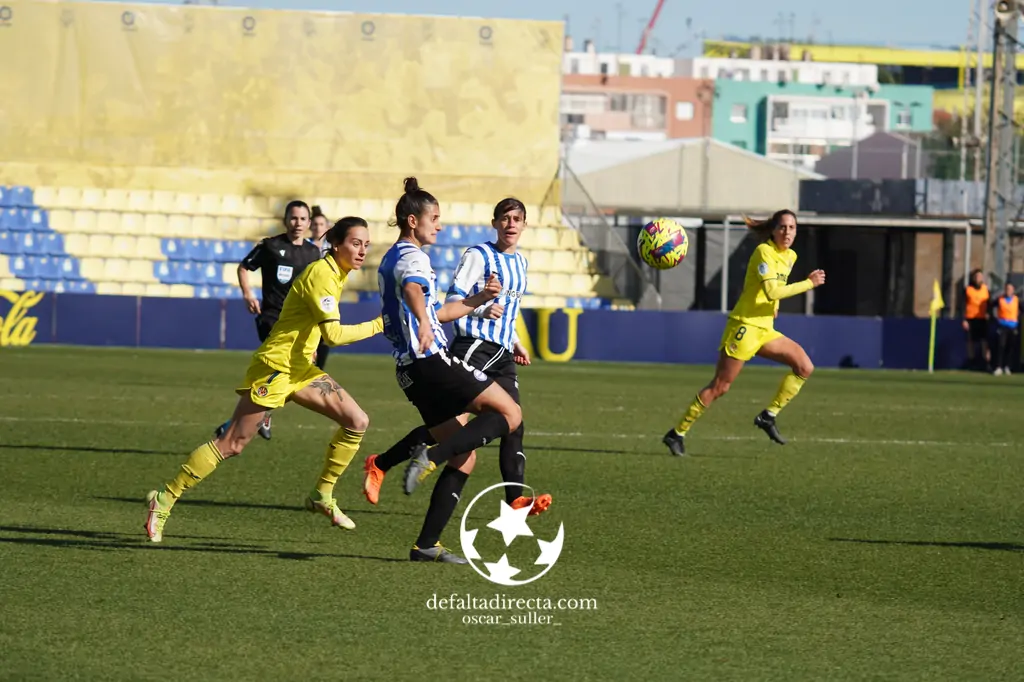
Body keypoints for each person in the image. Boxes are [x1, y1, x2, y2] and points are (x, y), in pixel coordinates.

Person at [145, 218, 383, 542]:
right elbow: (334, 335)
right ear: (337, 244)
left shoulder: (335, 273)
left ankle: (322, 494)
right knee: (232, 443)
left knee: (357, 421)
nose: (362, 251)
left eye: (366, 245)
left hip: (300, 370)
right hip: (276, 368)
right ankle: (164, 499)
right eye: (356, 243)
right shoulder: (322, 274)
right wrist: (380, 324)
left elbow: (308, 322)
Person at [363, 197, 551, 516]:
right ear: (494, 223)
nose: (511, 224)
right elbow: (451, 299)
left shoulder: (521, 263)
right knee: (457, 427)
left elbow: (508, 310)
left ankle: (515, 499)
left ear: (525, 224)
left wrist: (515, 340)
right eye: (505, 218)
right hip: (475, 345)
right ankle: (388, 462)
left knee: (512, 422)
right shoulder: (478, 255)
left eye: (517, 219)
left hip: (502, 350)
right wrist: (479, 308)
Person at [377, 177, 522, 563]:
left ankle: (426, 545)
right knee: (510, 414)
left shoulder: (391, 256)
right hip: (431, 361)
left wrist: (479, 299)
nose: (439, 226)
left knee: (466, 456)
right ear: (413, 221)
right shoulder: (413, 257)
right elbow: (414, 290)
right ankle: (430, 457)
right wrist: (424, 321)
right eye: (435, 218)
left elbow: (440, 311)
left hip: (409, 371)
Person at [662, 210, 826, 456]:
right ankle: (677, 433)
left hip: (765, 329)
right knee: (720, 386)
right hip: (745, 326)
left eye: (792, 227)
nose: (787, 232)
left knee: (804, 366)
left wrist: (775, 307)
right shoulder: (763, 252)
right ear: (773, 230)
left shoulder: (790, 256)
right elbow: (771, 291)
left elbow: (775, 290)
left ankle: (768, 416)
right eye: (782, 227)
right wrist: (808, 284)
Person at [215, 200, 322, 440]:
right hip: (272, 318)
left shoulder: (313, 253)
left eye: (302, 219)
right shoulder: (271, 246)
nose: (298, 223)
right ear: (285, 220)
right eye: (293, 218)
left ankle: (242, 421)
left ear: (308, 223)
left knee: (286, 376)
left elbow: (314, 292)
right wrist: (247, 294)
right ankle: (256, 417)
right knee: (286, 371)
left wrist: (313, 336)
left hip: (298, 324)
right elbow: (244, 267)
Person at [309, 205, 332, 370]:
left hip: (326, 297)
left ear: (327, 227)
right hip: (308, 298)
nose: (318, 228)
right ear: (310, 226)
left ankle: (318, 371)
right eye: (315, 224)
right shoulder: (303, 246)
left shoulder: (332, 249)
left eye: (321, 224)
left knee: (325, 335)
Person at [963, 269, 991, 372]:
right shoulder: (968, 290)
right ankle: (971, 362)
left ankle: (986, 363)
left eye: (980, 276)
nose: (978, 278)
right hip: (971, 318)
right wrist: (964, 319)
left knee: (984, 341)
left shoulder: (986, 289)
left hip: (982, 318)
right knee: (971, 342)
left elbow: (989, 304)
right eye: (977, 277)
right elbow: (963, 305)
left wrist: (989, 314)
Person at [993, 282, 1019, 376]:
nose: (1008, 291)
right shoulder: (1000, 299)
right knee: (1001, 346)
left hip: (1013, 326)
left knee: (1010, 347)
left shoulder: (1016, 300)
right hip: (1002, 326)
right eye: (1007, 289)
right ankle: (999, 367)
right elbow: (991, 306)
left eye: (1010, 289)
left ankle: (1007, 366)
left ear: (1013, 290)